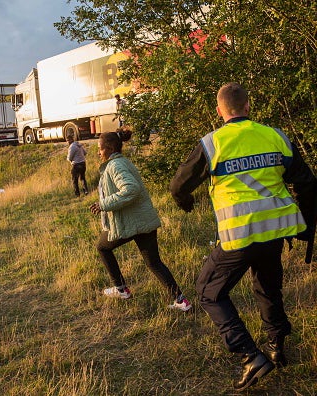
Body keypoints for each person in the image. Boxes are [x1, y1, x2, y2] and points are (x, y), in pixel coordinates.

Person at [170, 82, 317, 391]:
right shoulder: (275, 136)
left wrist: (186, 202)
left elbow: (178, 186)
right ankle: (276, 345)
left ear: (220, 111)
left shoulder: (212, 144)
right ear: (248, 106)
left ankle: (251, 356)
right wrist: (307, 222)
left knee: (209, 292)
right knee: (268, 287)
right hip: (275, 231)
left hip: (239, 236)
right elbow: (306, 182)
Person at [89, 132, 191, 311]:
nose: (98, 152)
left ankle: (121, 289)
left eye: (100, 148)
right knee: (153, 262)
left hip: (132, 223)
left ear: (110, 148)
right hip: (143, 220)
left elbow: (131, 189)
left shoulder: (115, 165)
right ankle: (181, 301)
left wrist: (104, 204)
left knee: (102, 247)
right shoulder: (123, 162)